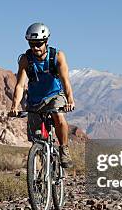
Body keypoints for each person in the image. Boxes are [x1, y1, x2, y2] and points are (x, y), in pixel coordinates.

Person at [9, 22, 76, 168]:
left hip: (54, 95)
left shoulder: (57, 56)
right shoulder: (25, 60)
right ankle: (43, 168)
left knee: (58, 116)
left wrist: (70, 100)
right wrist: (14, 106)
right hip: (35, 100)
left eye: (38, 44)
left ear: (46, 41)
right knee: (37, 138)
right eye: (32, 44)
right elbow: (20, 85)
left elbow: (65, 81)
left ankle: (64, 149)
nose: (35, 48)